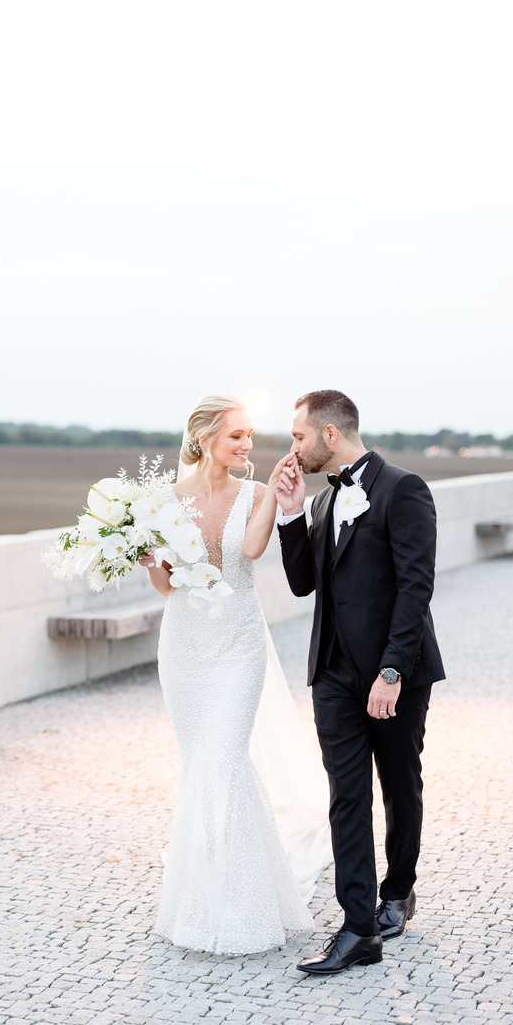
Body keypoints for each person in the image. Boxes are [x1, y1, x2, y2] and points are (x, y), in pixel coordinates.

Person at [141, 394, 332, 955]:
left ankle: (243, 905)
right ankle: (202, 897)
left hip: (239, 645)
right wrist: (148, 555)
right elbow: (165, 587)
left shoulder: (255, 493)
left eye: (250, 435)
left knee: (224, 758)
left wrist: (273, 491)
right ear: (204, 440)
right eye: (236, 436)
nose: (247, 444)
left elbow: (248, 551)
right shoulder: (164, 501)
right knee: (201, 763)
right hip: (184, 646)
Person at [274, 389, 445, 975]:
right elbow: (302, 585)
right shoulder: (321, 504)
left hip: (394, 674)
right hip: (333, 676)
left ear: (327, 434)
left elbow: (415, 587)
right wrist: (292, 513)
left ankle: (397, 893)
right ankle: (357, 928)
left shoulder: (404, 489)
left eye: (298, 436)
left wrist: (392, 671)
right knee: (346, 795)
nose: (291, 448)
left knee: (399, 783)